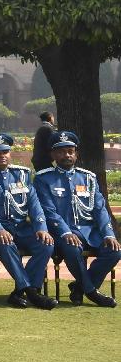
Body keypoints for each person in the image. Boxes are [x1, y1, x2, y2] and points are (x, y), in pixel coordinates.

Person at [0, 133, 58, 310]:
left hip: (22, 227)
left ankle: (20, 291)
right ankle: (31, 292)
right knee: (5, 243)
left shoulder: (22, 174)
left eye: (5, 152)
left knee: (46, 244)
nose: (2, 155)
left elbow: (34, 204)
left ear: (10, 153)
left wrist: (41, 227)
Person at [34, 131, 120, 307]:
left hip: (90, 231)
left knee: (114, 250)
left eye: (70, 151)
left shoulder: (88, 177)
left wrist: (108, 234)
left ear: (76, 154)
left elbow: (100, 209)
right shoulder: (44, 178)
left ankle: (79, 288)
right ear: (53, 155)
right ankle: (91, 291)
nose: (66, 155)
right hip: (62, 232)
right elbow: (49, 211)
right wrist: (65, 232)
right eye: (61, 151)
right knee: (72, 248)